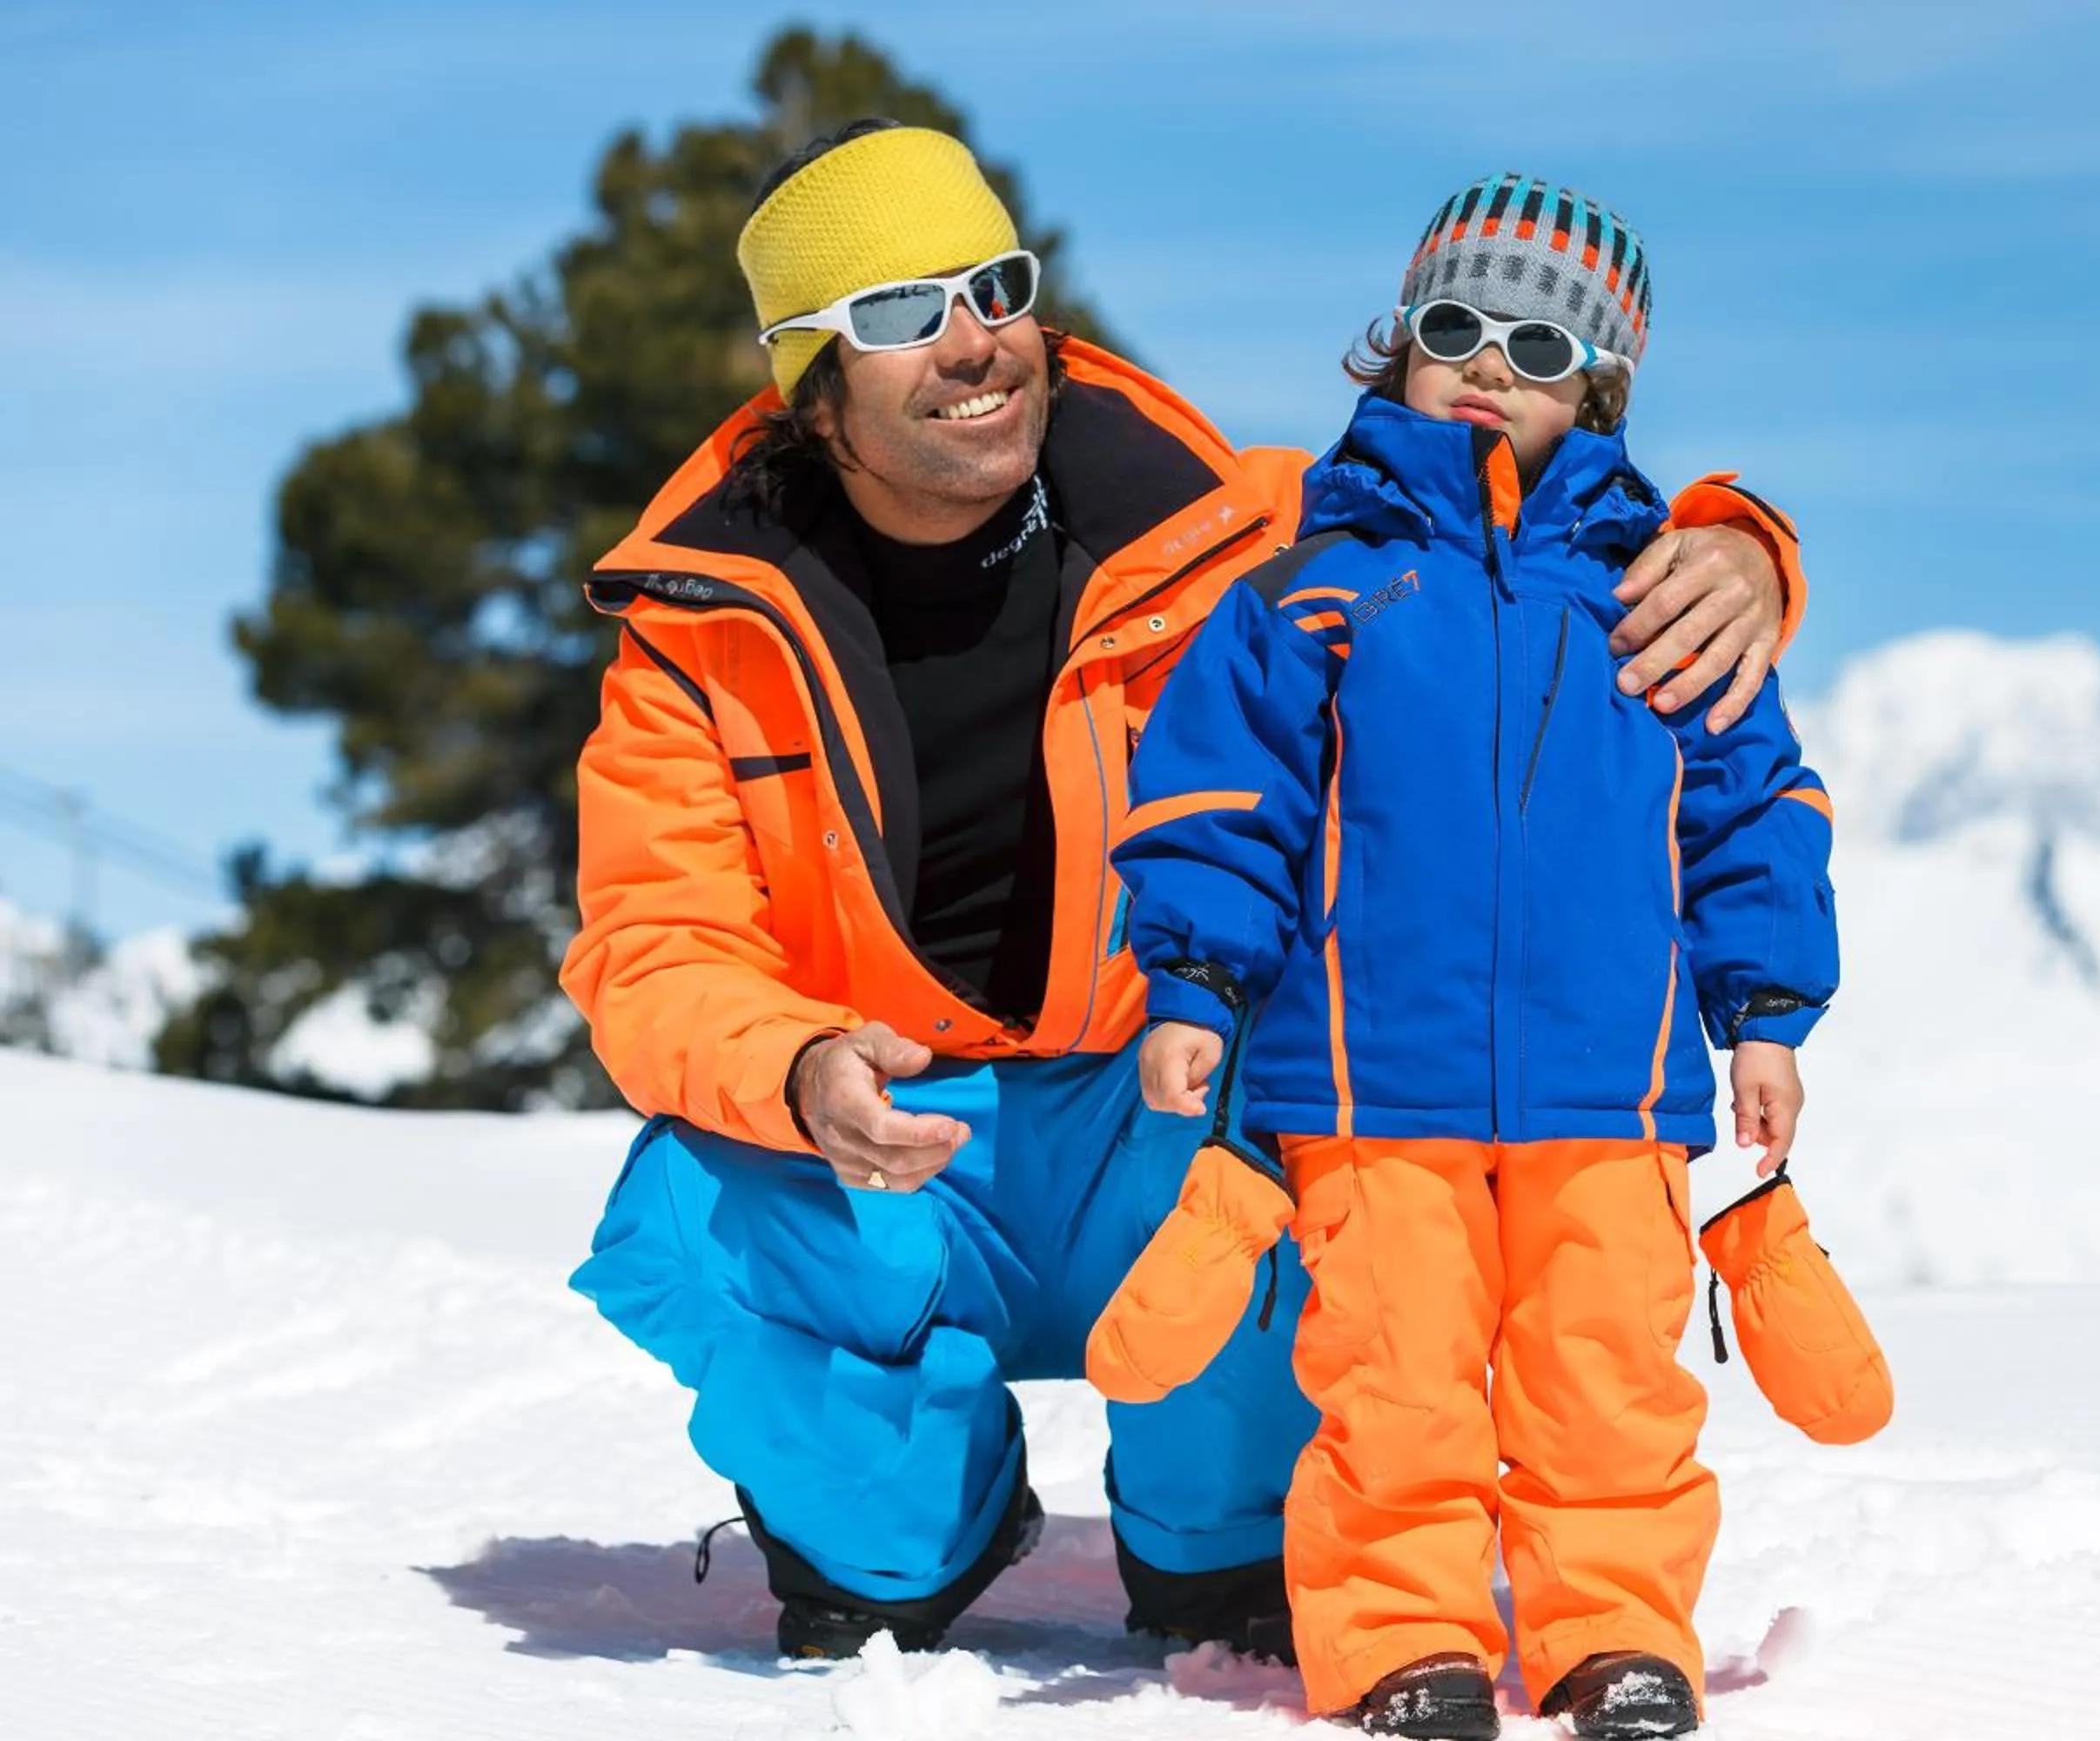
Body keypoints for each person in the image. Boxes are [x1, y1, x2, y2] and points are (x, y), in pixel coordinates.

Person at [558, 124, 1808, 1665]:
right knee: (688, 1216)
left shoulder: (1229, 530)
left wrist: (1741, 549)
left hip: (1161, 1119)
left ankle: (1211, 1535)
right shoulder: (697, 633)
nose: (973, 346)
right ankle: (915, 1523)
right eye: (899, 317)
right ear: (812, 386)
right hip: (889, 1148)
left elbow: (1499, 537)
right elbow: (653, 943)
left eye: (995, 288)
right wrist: (796, 1069)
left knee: (1336, 1131)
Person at [1105, 176, 1842, 1739]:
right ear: (1396, 352)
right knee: (1395, 1380)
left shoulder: (1659, 593)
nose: (1491, 365)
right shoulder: (1319, 580)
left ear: (1602, 392)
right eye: (1456, 328)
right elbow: (1225, 796)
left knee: (1608, 1383)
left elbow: (1753, 811)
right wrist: (1190, 978)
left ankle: (1618, 1634)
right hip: (1372, 1090)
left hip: (1613, 1092)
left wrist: (1764, 1015)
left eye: (1539, 344)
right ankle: (1398, 1639)